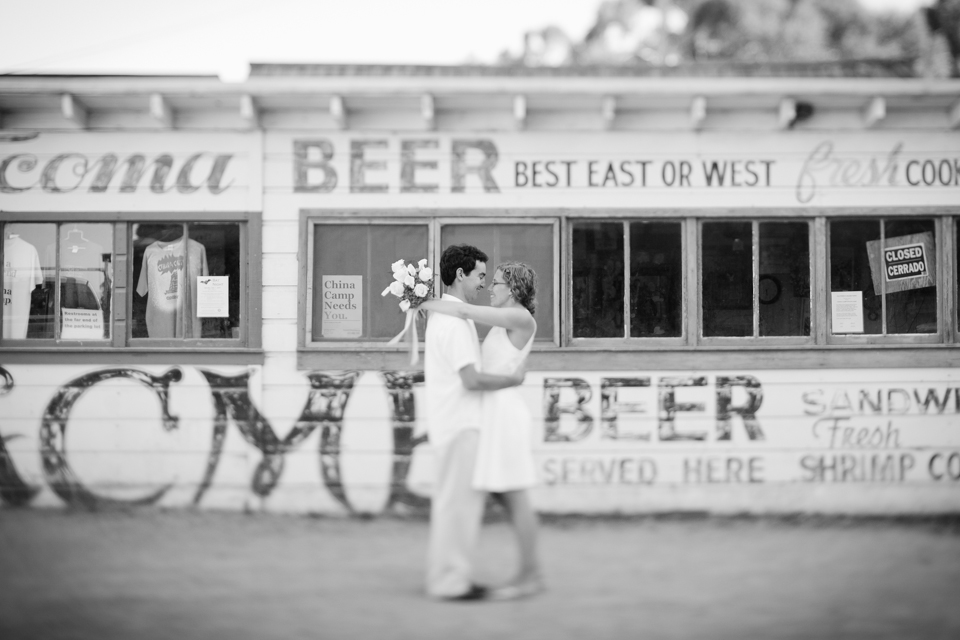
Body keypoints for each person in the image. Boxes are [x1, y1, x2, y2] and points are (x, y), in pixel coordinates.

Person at [420, 260, 543, 600]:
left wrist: (422, 300)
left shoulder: (520, 318)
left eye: (498, 284)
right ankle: (523, 571)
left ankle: (531, 574)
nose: (491, 288)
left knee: (515, 497)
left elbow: (464, 313)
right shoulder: (505, 321)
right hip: (492, 412)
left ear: (514, 290)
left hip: (504, 412)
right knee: (505, 496)